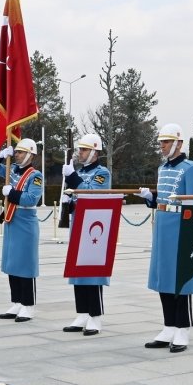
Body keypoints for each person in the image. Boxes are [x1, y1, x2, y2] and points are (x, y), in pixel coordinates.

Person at [136, 123, 193, 353]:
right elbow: (163, 200)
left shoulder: (190, 168)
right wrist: (150, 198)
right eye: (161, 142)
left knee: (181, 279)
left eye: (165, 142)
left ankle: (182, 328)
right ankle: (168, 326)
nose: (162, 146)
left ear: (177, 143)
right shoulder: (162, 169)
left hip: (181, 227)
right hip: (163, 226)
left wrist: (191, 234)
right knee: (163, 277)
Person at [60, 133, 112, 336]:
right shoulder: (79, 171)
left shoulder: (102, 173)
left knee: (92, 271)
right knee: (78, 270)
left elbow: (92, 193)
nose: (79, 153)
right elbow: (78, 195)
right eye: (80, 149)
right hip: (78, 224)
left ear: (94, 151)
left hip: (94, 227)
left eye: (83, 149)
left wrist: (72, 178)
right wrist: (69, 201)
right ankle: (82, 313)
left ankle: (95, 316)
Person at [0, 138, 43, 322]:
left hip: (26, 222)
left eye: (20, 152)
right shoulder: (11, 171)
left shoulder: (35, 175)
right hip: (12, 220)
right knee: (12, 263)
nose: (16, 155)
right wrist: (0, 155)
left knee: (25, 264)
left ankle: (28, 305)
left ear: (30, 154)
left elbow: (31, 199)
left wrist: (11, 193)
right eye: (16, 152)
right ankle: (17, 301)